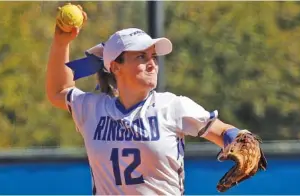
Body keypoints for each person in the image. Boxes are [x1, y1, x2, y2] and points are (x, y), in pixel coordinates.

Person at [46, 11, 261, 195]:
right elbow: (59, 91)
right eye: (141, 57)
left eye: (153, 56)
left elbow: (222, 131)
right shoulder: (93, 110)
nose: (152, 64)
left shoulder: (172, 107)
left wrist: (239, 139)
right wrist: (61, 41)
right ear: (115, 67)